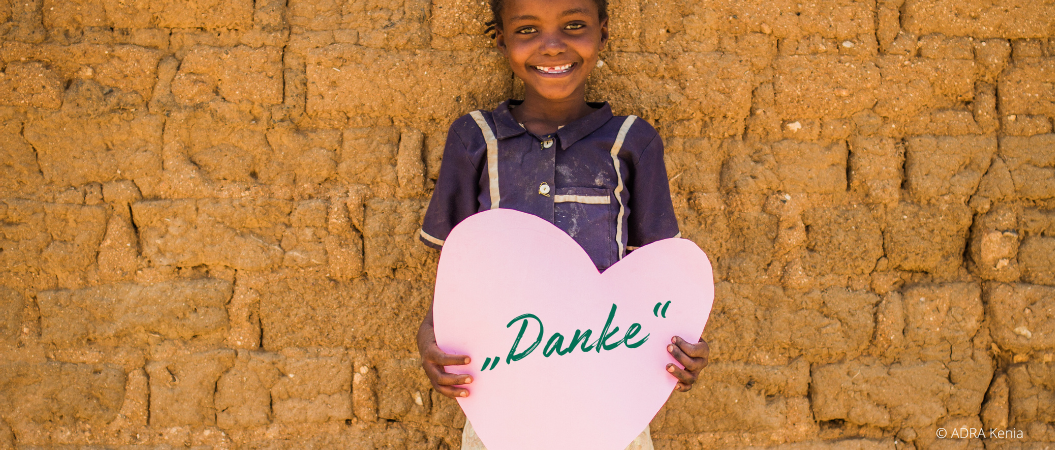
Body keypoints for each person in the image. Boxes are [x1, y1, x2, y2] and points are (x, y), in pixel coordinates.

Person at [415, 0, 710, 448]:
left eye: (574, 25)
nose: (552, 46)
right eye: (528, 29)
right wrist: (430, 334)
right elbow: (457, 270)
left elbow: (658, 279)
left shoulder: (632, 142)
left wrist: (683, 348)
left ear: (602, 32)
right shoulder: (475, 139)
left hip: (611, 400)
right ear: (502, 39)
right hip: (502, 397)